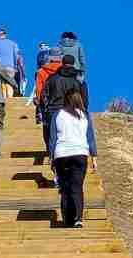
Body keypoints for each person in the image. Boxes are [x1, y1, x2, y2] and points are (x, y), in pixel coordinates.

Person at [49, 88, 97, 228]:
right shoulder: (84, 115)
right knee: (76, 187)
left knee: (65, 188)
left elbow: (53, 139)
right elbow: (90, 138)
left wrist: (51, 158)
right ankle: (78, 218)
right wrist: (94, 157)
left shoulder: (57, 114)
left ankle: (67, 219)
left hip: (61, 155)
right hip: (80, 154)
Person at [34, 46, 63, 155]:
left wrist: (40, 103)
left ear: (49, 57)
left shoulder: (41, 71)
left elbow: (39, 89)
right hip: (63, 103)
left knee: (47, 127)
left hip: (47, 104)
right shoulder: (65, 70)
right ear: (61, 57)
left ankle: (50, 150)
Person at [0, 28, 25, 99]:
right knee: (10, 83)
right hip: (10, 67)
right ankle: (10, 99)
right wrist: (15, 66)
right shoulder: (13, 43)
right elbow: (16, 55)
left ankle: (4, 98)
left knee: (2, 83)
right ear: (5, 35)